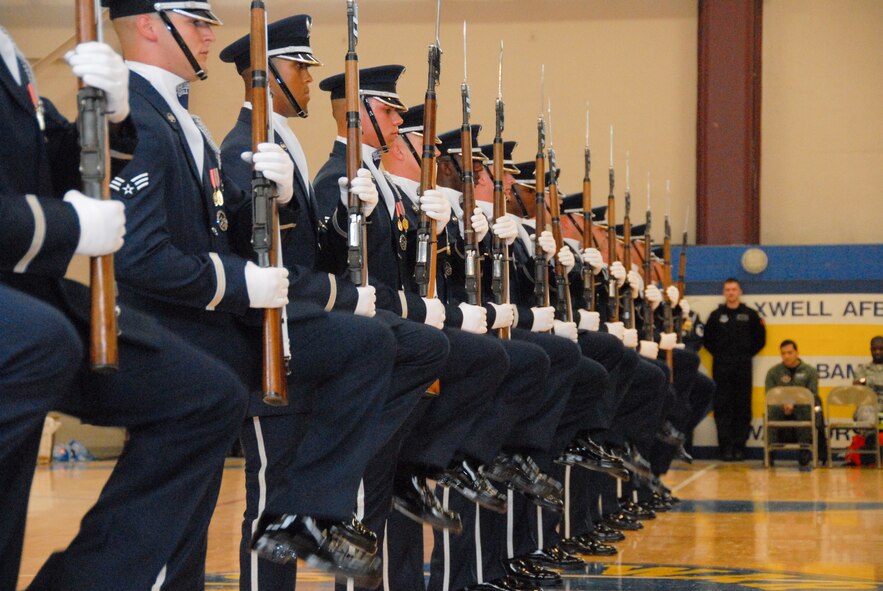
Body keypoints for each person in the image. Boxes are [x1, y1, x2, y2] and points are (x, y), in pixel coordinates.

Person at [107, 3, 399, 586]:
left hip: (211, 335)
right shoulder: (137, 115)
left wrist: (291, 203)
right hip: (181, 337)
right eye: (195, 21)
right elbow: (140, 255)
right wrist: (239, 282)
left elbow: (227, 226)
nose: (211, 32)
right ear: (147, 24)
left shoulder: (178, 116)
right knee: (170, 527)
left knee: (376, 346)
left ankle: (307, 508)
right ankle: (301, 510)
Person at [0, 19, 249, 591]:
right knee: (42, 343)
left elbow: (56, 159)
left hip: (30, 299)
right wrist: (63, 226)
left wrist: (114, 120)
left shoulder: (10, 51)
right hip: (26, 319)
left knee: (204, 397)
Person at [217, 17, 450, 591]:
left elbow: (312, 252)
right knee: (268, 504)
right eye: (298, 67)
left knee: (418, 346)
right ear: (264, 73)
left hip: (306, 324)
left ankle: (332, 486)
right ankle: (314, 500)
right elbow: (252, 247)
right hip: (271, 332)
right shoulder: (242, 145)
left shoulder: (284, 146)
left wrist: (353, 217)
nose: (306, 80)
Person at [704, 277, 766, 461]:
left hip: (743, 368)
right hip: (721, 368)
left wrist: (744, 354)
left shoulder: (751, 315)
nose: (731, 292)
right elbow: (707, 341)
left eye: (734, 289)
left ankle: (740, 448)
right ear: (724, 293)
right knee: (722, 407)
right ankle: (725, 448)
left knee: (742, 408)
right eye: (727, 289)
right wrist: (723, 356)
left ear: (740, 292)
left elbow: (760, 340)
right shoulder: (715, 316)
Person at [764, 339, 823, 469]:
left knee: (806, 411)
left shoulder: (810, 371)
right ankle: (770, 454)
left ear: (797, 353)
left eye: (790, 353)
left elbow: (812, 395)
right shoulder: (773, 372)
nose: (786, 356)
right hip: (780, 409)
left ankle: (804, 450)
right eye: (783, 353)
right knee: (771, 412)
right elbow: (770, 396)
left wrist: (794, 405)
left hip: (802, 408)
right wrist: (784, 406)